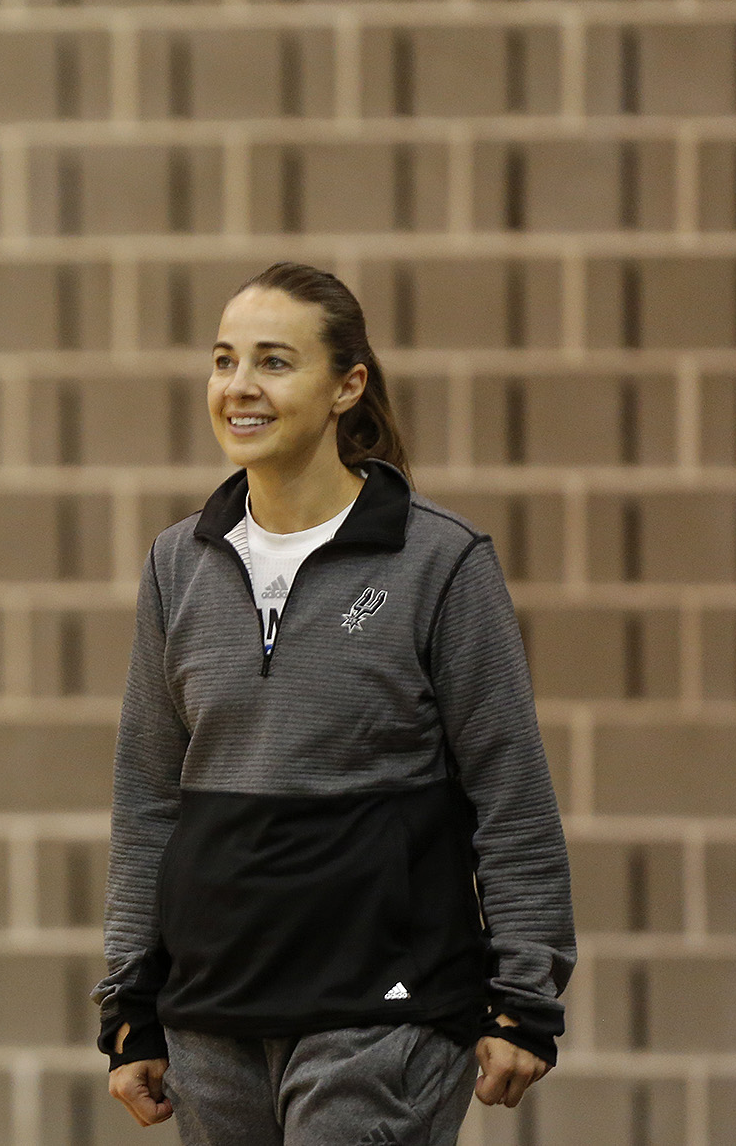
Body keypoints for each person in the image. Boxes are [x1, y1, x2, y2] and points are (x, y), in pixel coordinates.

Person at [94, 263, 575, 1144]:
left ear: (346, 386)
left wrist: (525, 994)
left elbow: (511, 796)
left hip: (384, 1011)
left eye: (274, 362)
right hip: (215, 1015)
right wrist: (131, 997)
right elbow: (148, 798)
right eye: (224, 360)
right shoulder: (177, 564)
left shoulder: (441, 561)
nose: (239, 387)